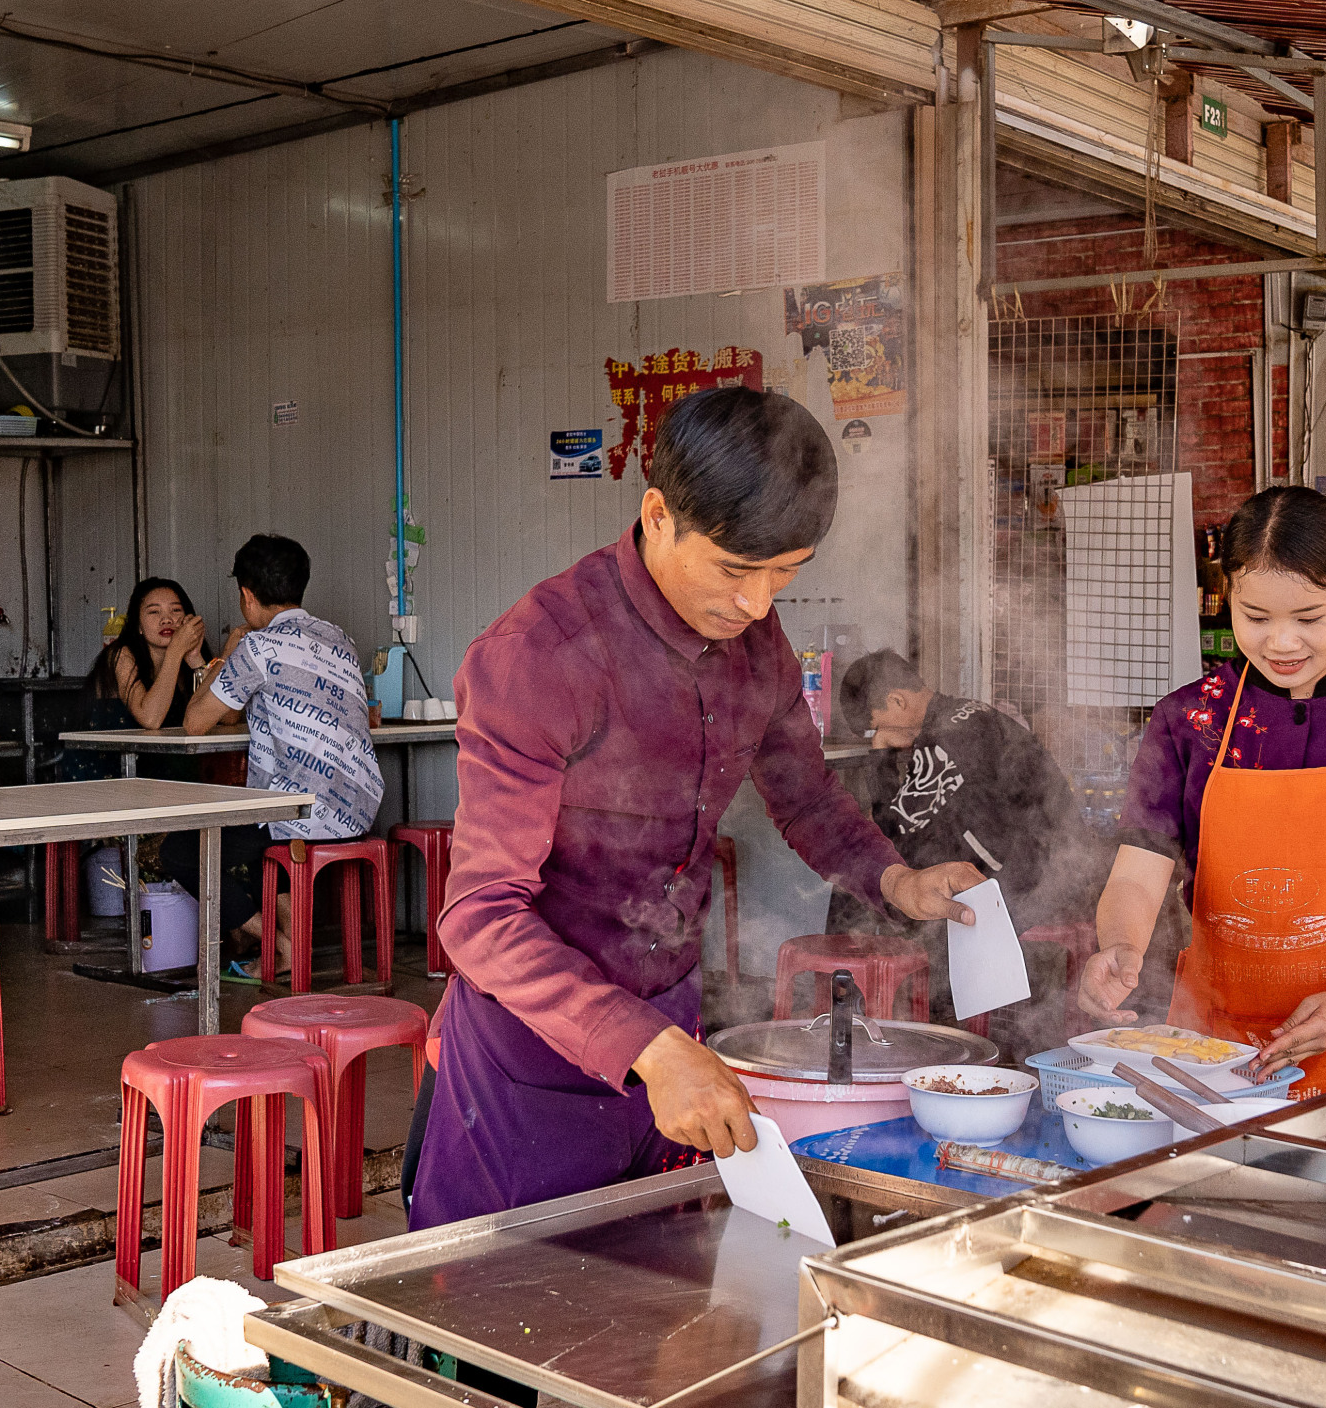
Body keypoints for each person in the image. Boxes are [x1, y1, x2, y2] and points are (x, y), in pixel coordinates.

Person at [408, 387, 983, 1236]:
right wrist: (648, 1047)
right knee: (504, 1326)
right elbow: (481, 918)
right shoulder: (541, 656)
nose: (757, 605)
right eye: (735, 570)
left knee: (654, 1317)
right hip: (536, 1055)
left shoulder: (758, 646)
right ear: (658, 515)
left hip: (675, 1033)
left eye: (784, 575)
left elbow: (809, 797)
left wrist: (899, 881)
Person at [1077, 486, 1326, 1137]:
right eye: (1255, 616)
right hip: (1212, 1068)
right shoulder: (1188, 720)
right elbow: (1136, 873)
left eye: (1308, 616)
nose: (1281, 641)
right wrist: (1121, 946)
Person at [832, 650, 1105, 1035]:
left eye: (878, 725)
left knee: (861, 885)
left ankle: (928, 1032)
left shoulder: (941, 743)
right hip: (1055, 862)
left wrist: (881, 753)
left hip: (1039, 879)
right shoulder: (969, 714)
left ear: (897, 701)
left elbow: (893, 832)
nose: (881, 733)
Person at [161, 534, 384, 981]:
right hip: (359, 810)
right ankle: (284, 944)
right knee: (268, 830)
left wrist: (223, 657)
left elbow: (194, 723)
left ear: (246, 595)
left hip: (299, 813)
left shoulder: (259, 648)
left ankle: (280, 942)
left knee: (181, 851)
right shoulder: (340, 638)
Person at [58, 577, 207, 782]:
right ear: (138, 625)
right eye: (154, 612)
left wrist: (197, 660)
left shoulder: (188, 659)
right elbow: (151, 718)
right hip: (106, 777)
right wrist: (176, 651)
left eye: (176, 610)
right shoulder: (121, 655)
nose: (167, 619)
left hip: (159, 778)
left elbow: (228, 717)